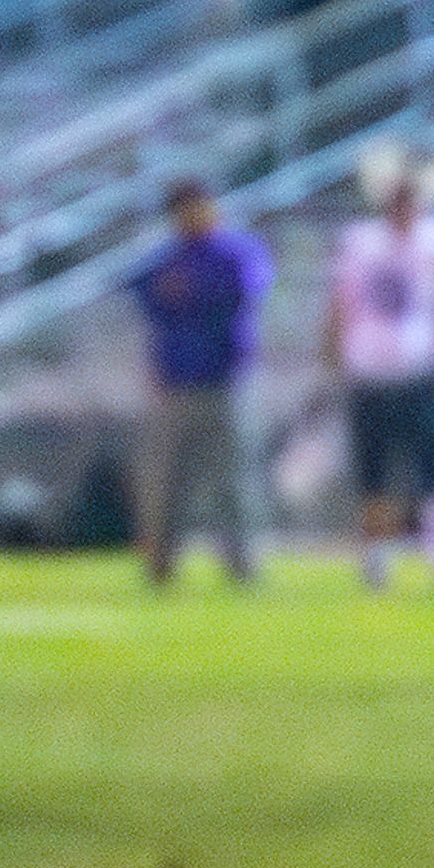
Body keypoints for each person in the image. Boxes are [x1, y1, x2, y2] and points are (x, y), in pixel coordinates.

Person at [326, 141, 434, 587]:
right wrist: (333, 353)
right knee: (374, 475)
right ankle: (376, 561)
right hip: (370, 372)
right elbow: (340, 304)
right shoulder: (361, 241)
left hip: (421, 372)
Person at [126, 178, 272, 586]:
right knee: (168, 479)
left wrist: (194, 292)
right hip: (176, 382)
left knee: (233, 477)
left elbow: (246, 291)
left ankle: (241, 562)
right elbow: (142, 292)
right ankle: (161, 562)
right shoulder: (166, 258)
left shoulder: (234, 252)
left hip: (226, 380)